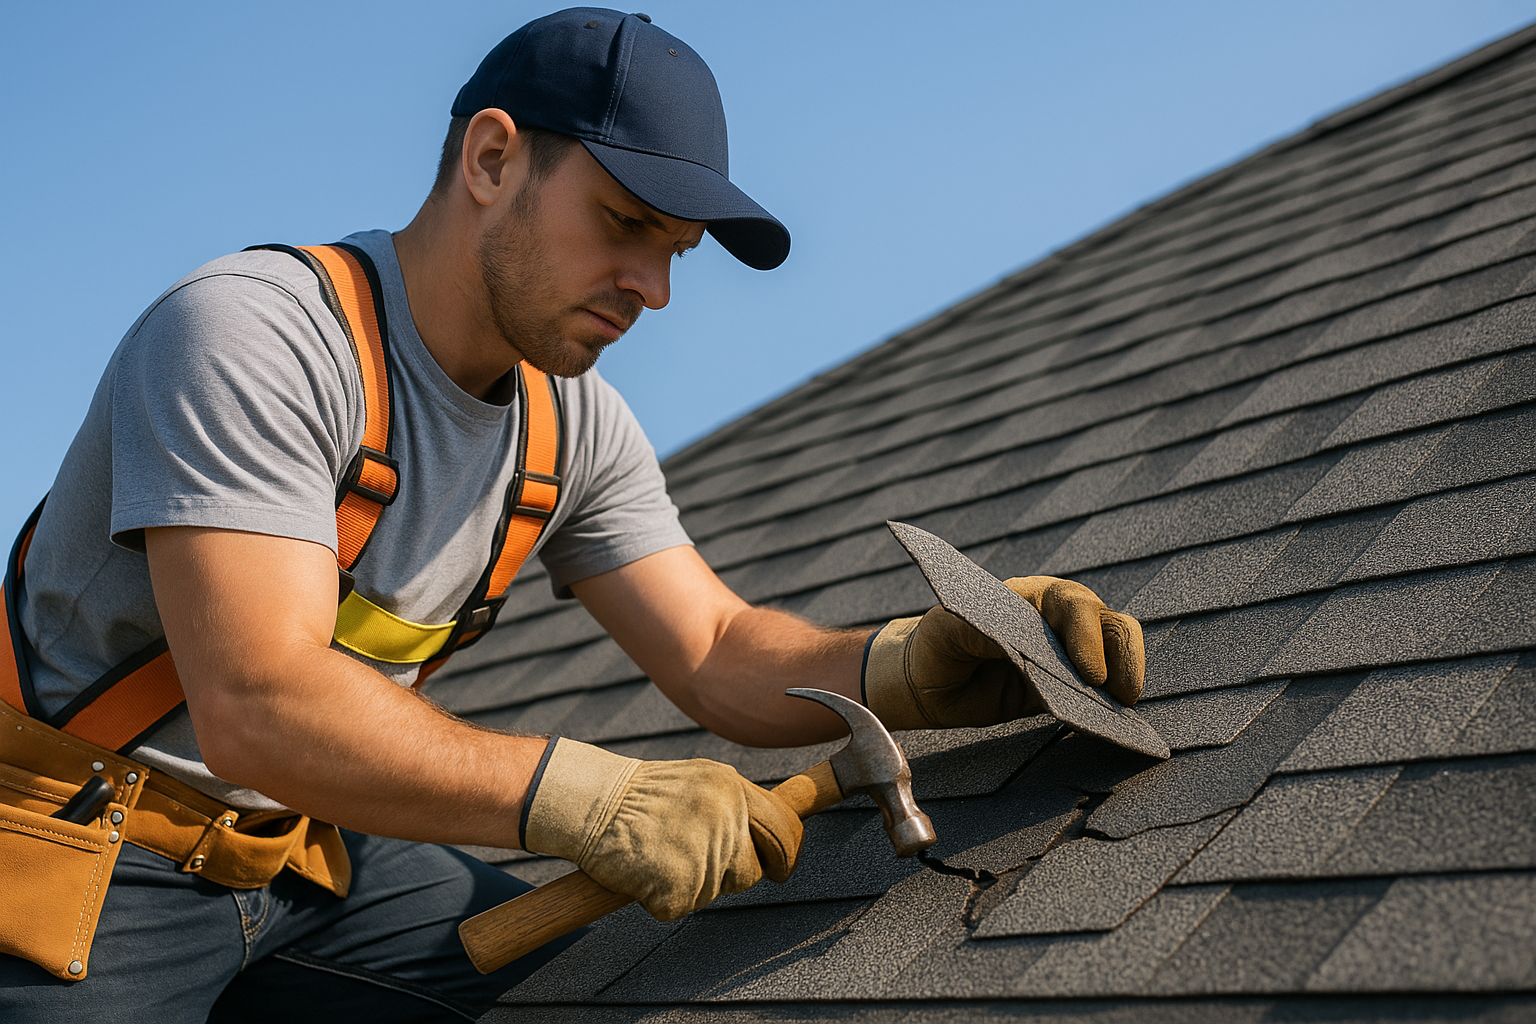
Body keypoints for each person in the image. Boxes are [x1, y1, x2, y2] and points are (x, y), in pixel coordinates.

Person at [0, 8, 1144, 1021]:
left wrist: (909, 665)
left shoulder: (570, 427)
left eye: (675, 252)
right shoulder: (255, 339)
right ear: (493, 158)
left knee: (591, 988)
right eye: (626, 225)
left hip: (306, 857)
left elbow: (711, 648)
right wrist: (591, 795)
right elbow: (261, 702)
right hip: (81, 851)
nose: (654, 289)